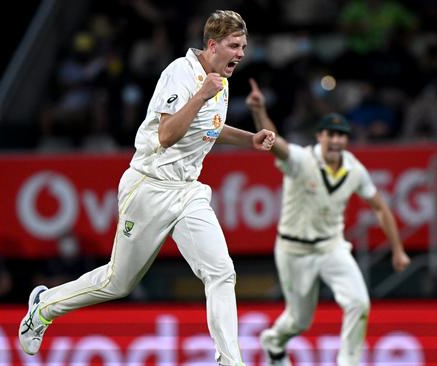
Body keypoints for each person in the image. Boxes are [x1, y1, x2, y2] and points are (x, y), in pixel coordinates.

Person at [18, 11, 276, 366]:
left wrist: (250, 139)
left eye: (244, 47)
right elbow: (167, 135)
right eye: (235, 46)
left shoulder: (220, 80)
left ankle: (229, 361)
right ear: (212, 45)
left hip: (188, 192)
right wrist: (201, 94)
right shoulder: (180, 75)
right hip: (150, 187)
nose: (241, 54)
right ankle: (44, 307)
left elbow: (211, 127)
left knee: (221, 272)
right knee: (117, 282)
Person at [246, 79, 410, 366]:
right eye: (330, 134)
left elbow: (381, 207)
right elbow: (276, 143)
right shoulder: (301, 160)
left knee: (359, 303)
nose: (336, 140)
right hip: (294, 250)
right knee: (299, 321)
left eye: (341, 135)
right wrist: (259, 112)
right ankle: (273, 341)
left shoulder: (354, 169)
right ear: (319, 136)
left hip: (331, 248)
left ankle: (348, 362)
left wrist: (397, 250)